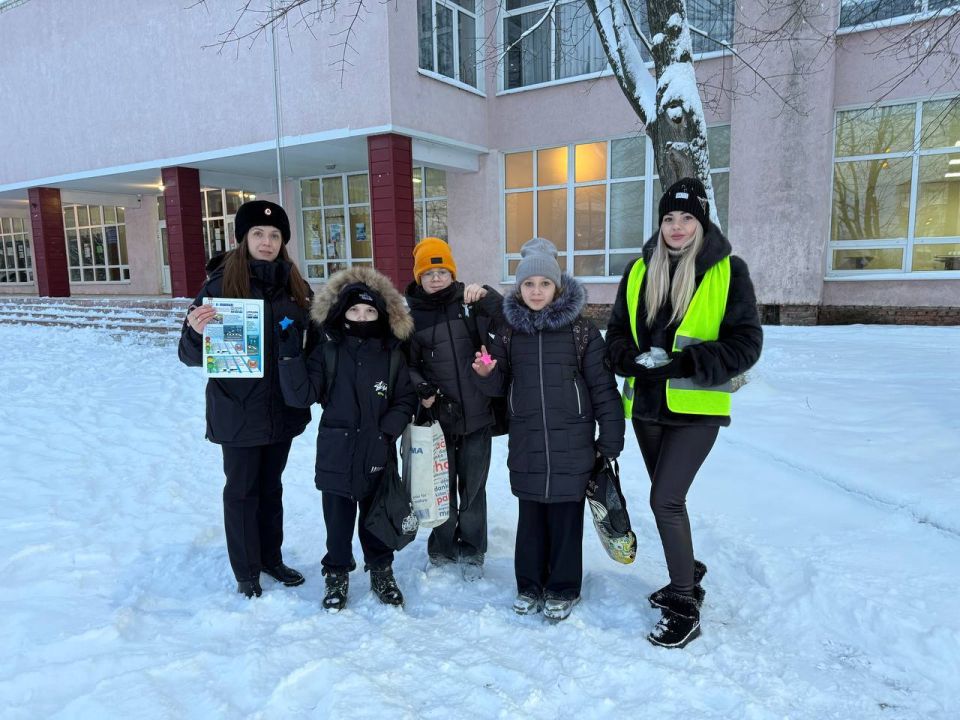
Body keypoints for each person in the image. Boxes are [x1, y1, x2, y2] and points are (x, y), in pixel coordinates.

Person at [606, 177, 763, 648]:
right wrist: (626, 359)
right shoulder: (638, 270)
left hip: (696, 409)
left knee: (665, 501)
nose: (676, 227)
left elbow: (747, 343)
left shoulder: (728, 271)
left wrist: (688, 363)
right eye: (669, 218)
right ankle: (687, 569)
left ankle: (683, 601)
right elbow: (615, 335)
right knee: (667, 498)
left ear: (701, 221)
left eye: (686, 218)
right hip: (647, 408)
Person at [472, 237, 624, 621]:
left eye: (543, 283)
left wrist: (610, 437)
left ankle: (562, 587)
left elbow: (603, 388)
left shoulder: (582, 332)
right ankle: (529, 585)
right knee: (531, 519)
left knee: (565, 519)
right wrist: (488, 374)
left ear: (557, 286)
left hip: (572, 441)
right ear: (519, 288)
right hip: (527, 440)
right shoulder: (508, 331)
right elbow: (499, 384)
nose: (536, 291)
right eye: (528, 284)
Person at [178, 200, 313, 599]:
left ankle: (271, 558)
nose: (266, 241)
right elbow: (188, 356)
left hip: (282, 408)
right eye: (258, 234)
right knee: (241, 490)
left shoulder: (296, 287)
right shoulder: (219, 287)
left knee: (271, 487)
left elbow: (310, 343)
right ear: (244, 238)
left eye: (274, 235)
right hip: (237, 410)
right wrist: (194, 332)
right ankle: (246, 571)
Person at [278, 266, 418, 611]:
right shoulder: (328, 351)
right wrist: (289, 355)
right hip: (336, 451)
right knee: (337, 521)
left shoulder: (391, 353)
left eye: (370, 310)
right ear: (342, 312)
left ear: (381, 314)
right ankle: (337, 573)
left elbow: (405, 399)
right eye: (354, 309)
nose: (362, 316)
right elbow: (302, 394)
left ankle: (381, 570)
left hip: (377, 450)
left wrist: (387, 431)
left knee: (377, 516)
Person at [404, 237, 503, 580]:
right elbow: (408, 364)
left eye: (442, 271)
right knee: (440, 487)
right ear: (419, 277)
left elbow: (505, 321)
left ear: (452, 273)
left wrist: (487, 294)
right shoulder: (411, 317)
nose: (435, 278)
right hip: (438, 418)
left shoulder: (469, 303)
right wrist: (421, 387)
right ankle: (442, 547)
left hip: (477, 413)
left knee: (474, 487)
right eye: (428, 273)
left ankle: (473, 549)